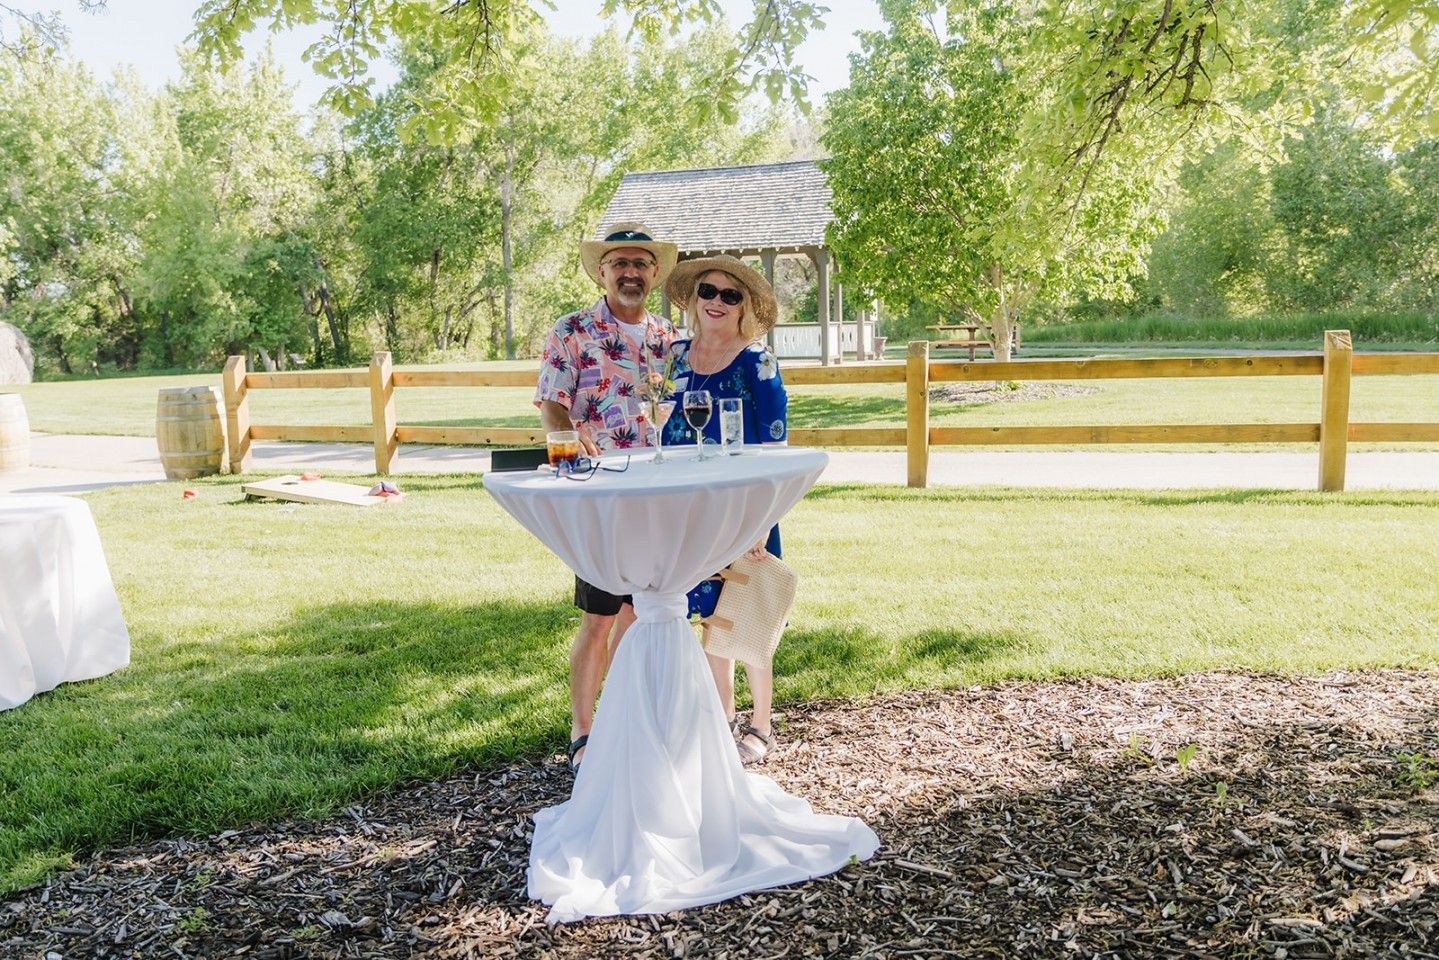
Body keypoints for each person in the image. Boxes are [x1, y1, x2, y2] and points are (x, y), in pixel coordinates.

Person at [533, 221, 678, 771]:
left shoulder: (670, 338)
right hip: (600, 495)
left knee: (640, 614)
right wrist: (569, 439)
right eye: (619, 263)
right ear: (602, 271)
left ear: (654, 273)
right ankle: (583, 731)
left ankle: (622, 718)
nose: (630, 273)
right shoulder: (572, 329)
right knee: (599, 615)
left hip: (658, 492)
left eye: (640, 263)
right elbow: (551, 401)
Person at [661, 255, 787, 764]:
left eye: (730, 295)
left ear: (745, 307)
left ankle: (761, 725)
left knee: (747, 616)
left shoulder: (758, 362)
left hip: (744, 511)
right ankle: (722, 719)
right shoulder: (673, 357)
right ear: (694, 300)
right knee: (710, 616)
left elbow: (777, 448)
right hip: (686, 510)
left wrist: (760, 521)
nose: (716, 301)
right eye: (708, 292)